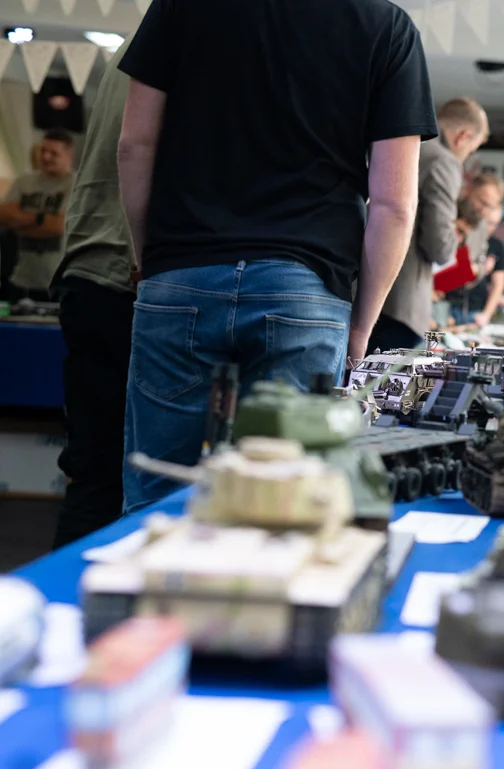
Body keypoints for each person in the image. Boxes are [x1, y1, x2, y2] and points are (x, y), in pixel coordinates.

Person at [117, 0, 438, 512]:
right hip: (306, 291)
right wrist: (361, 327)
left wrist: (149, 262)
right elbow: (394, 206)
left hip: (181, 274)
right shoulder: (386, 26)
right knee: (283, 503)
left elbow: (134, 146)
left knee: (159, 493)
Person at [50, 36, 138, 548]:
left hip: (92, 266)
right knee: (132, 473)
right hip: (128, 275)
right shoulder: (191, 33)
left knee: (95, 468)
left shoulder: (135, 42)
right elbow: (137, 151)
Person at [375, 98, 489, 352]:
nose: (467, 156)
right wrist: (454, 238)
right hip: (401, 302)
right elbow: (439, 247)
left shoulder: (403, 145)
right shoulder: (443, 161)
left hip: (365, 289)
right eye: (471, 149)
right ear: (463, 136)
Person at [0, 129, 75, 300]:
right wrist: (39, 219)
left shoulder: (74, 184)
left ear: (69, 155)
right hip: (20, 280)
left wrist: (19, 224)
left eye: (53, 153)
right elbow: (3, 216)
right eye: (43, 151)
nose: (46, 157)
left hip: (58, 282)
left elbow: (58, 227)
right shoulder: (24, 181)